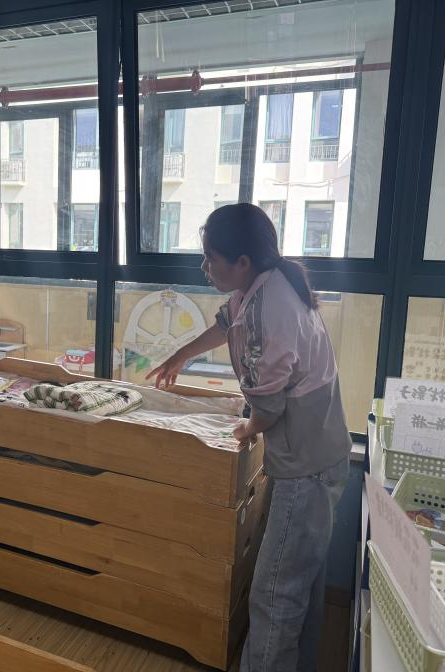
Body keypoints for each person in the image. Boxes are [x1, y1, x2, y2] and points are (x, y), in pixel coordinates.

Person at [149, 203, 351, 672]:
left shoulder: (268, 307)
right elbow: (225, 326)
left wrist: (244, 428)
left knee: (274, 595)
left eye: (211, 258)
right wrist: (181, 355)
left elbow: (270, 406)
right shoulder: (261, 286)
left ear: (242, 261)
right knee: (295, 582)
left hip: (307, 468)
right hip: (315, 456)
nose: (205, 267)